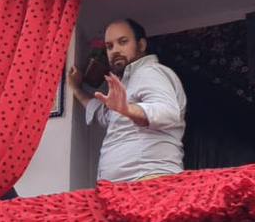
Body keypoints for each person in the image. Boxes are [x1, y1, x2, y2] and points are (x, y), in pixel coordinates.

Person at [68, 18, 186, 182]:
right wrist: (76, 90)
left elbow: (167, 112)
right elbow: (105, 115)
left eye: (123, 42)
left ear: (141, 45)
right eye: (109, 46)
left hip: (149, 181)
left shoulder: (150, 72)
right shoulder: (126, 82)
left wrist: (127, 109)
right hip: (123, 188)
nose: (115, 50)